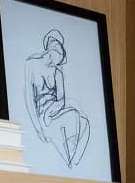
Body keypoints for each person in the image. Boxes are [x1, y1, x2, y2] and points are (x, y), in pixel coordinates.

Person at [24, 29, 90, 168]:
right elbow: (29, 99)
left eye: (59, 60)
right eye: (55, 58)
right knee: (74, 115)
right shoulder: (31, 64)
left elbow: (61, 99)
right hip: (42, 115)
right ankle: (70, 162)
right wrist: (38, 128)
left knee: (84, 122)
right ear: (50, 51)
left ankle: (72, 161)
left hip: (54, 111)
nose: (56, 63)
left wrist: (52, 110)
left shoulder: (58, 72)